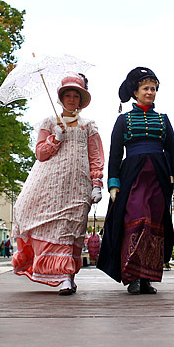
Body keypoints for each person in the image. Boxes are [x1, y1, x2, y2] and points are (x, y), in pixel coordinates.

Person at [12, 73, 104, 295]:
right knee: (56, 229)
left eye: (76, 95)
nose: (72, 99)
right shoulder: (49, 123)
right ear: (61, 98)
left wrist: (97, 182)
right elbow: (40, 154)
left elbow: (95, 155)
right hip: (50, 185)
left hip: (79, 186)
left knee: (72, 230)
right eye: (68, 95)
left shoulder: (88, 126)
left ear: (81, 100)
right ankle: (62, 277)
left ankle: (68, 275)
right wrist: (55, 138)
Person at [98, 67, 174, 295]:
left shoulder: (163, 120)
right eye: (146, 88)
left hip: (158, 178)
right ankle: (132, 276)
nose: (150, 92)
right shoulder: (123, 120)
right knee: (138, 222)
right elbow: (115, 154)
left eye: (154, 88)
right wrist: (114, 183)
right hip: (133, 178)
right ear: (135, 92)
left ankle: (147, 277)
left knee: (154, 227)